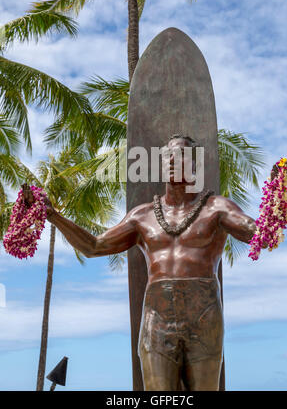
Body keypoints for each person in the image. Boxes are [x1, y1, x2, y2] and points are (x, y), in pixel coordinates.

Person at [22, 134, 268, 391]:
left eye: (181, 156)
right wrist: (53, 215)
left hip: (204, 320)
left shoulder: (217, 209)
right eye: (167, 157)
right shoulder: (142, 216)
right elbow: (93, 246)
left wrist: (277, 200)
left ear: (195, 166)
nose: (173, 161)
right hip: (157, 321)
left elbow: (258, 232)